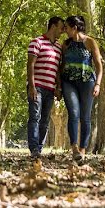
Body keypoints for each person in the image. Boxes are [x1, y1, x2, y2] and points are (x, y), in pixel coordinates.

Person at [60, 15, 103, 162]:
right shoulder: (65, 45)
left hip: (87, 82)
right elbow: (61, 66)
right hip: (68, 82)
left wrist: (97, 84)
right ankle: (74, 148)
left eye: (67, 27)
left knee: (85, 117)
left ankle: (83, 150)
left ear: (75, 27)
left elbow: (99, 66)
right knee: (73, 113)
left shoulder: (90, 42)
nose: (64, 30)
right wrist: (58, 85)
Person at [26, 16, 64, 160]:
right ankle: (34, 148)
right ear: (53, 26)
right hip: (37, 87)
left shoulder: (59, 47)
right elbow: (30, 64)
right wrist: (32, 86)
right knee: (35, 117)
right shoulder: (37, 42)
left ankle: (39, 149)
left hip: (50, 88)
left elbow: (58, 69)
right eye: (61, 28)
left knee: (45, 120)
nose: (62, 31)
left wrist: (58, 87)